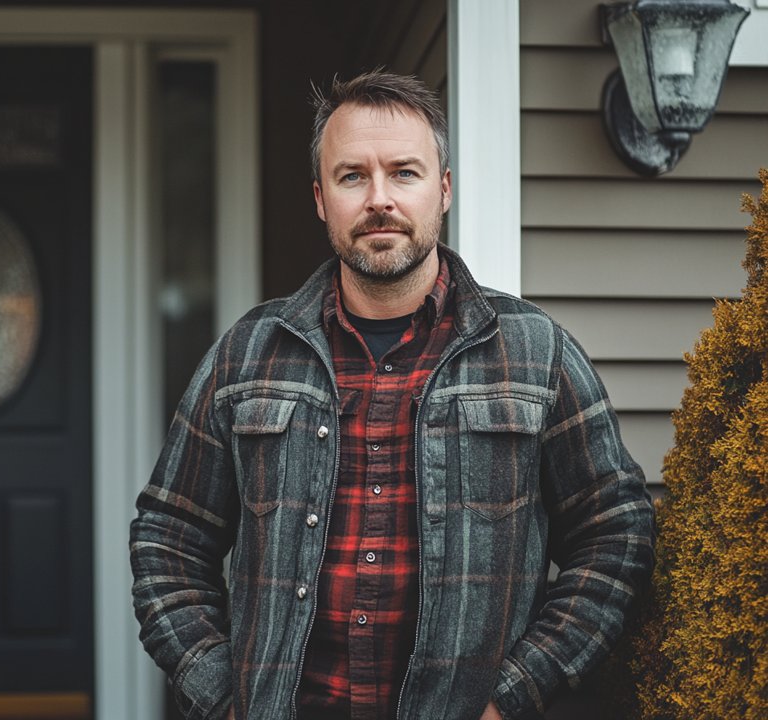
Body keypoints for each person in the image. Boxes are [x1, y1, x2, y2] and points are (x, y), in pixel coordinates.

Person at [130, 71, 654, 720]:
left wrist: (514, 695)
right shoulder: (247, 353)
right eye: (353, 176)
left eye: (403, 172)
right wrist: (222, 696)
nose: (379, 198)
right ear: (321, 198)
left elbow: (616, 532)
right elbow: (167, 538)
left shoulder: (536, 354)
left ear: (444, 190)